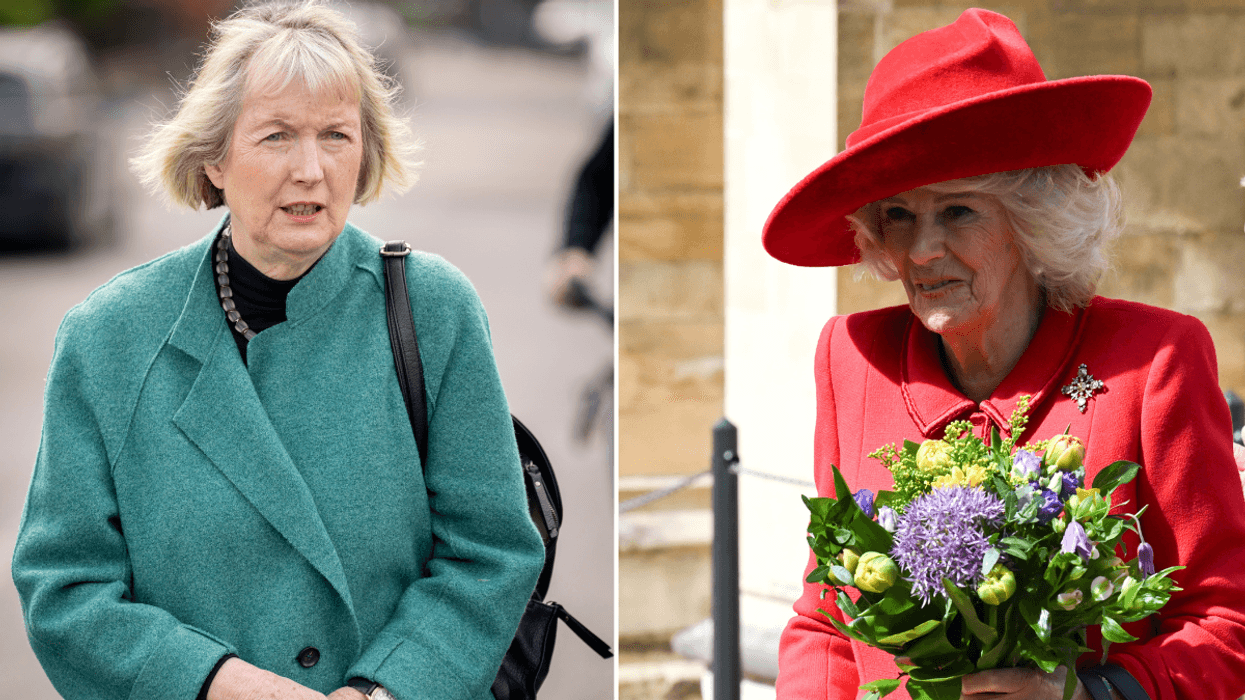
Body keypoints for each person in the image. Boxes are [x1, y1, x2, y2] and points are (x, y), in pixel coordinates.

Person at [10, 3, 544, 700]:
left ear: (366, 153)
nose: (311, 169)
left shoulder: (433, 310)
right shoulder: (109, 337)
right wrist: (217, 683)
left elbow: (492, 554)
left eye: (335, 136)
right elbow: (64, 589)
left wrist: (386, 690)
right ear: (214, 159)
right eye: (276, 136)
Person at [763, 9, 1245, 700]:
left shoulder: (1153, 361)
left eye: (957, 211)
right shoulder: (850, 358)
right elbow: (827, 623)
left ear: (1030, 223)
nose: (921, 251)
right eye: (897, 215)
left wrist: (1088, 694)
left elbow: (1224, 623)